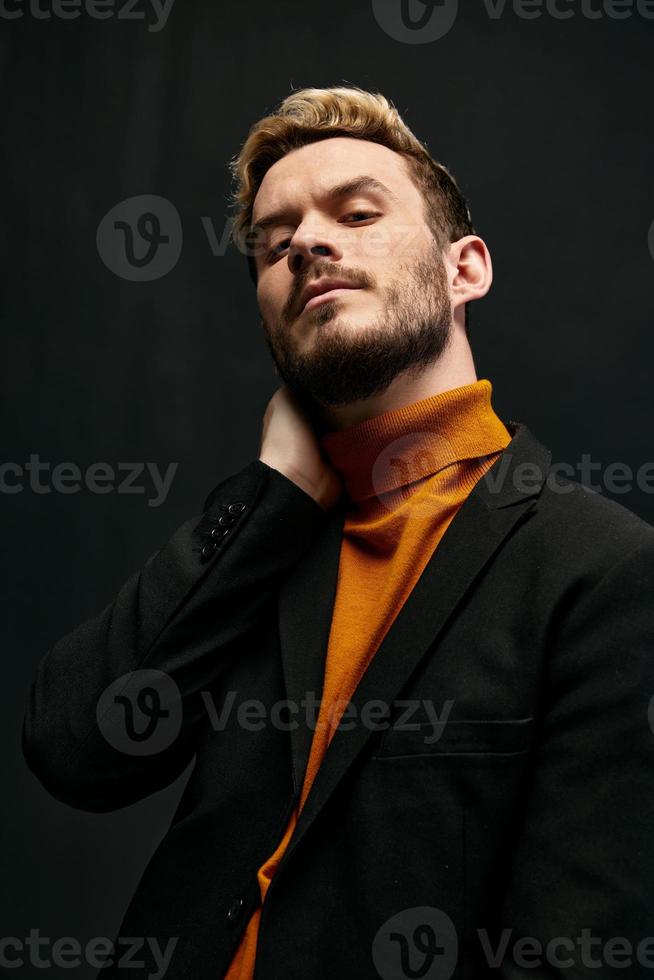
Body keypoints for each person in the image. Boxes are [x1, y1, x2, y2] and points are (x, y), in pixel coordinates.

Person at [23, 85, 654, 979]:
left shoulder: (607, 569)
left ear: (464, 268)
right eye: (276, 246)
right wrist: (271, 493)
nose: (309, 245)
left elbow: (580, 945)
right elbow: (76, 750)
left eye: (357, 214)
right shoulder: (260, 538)